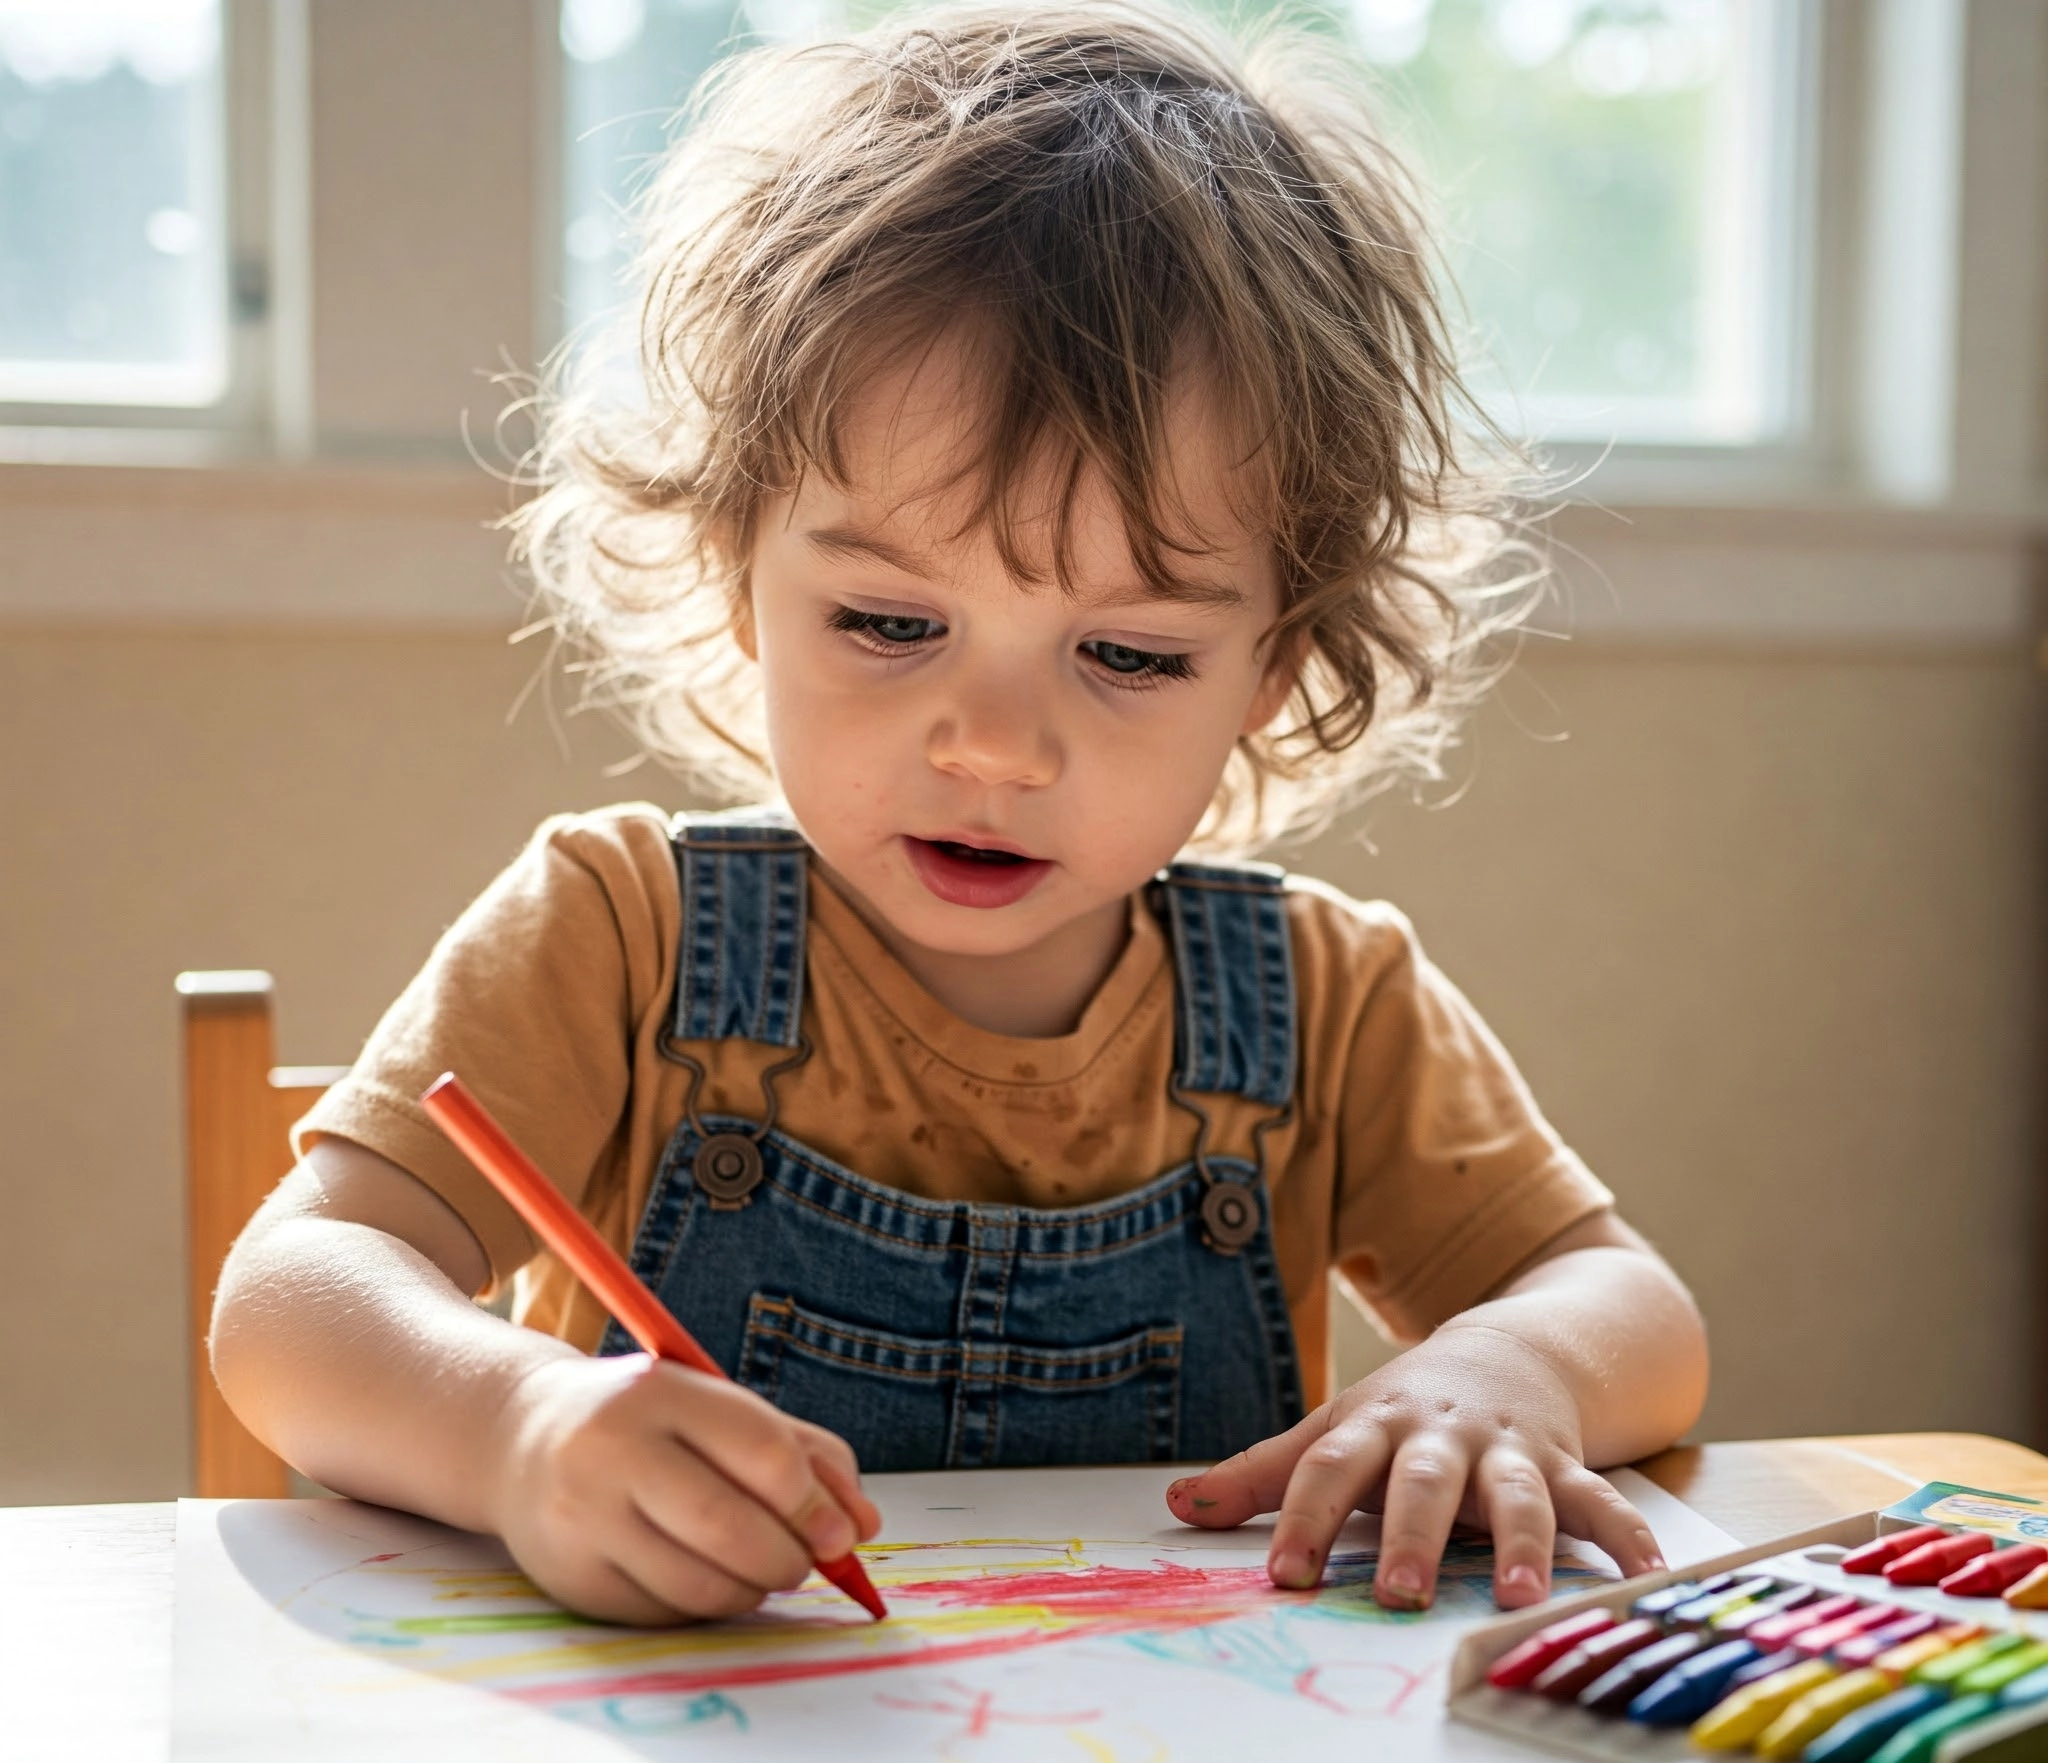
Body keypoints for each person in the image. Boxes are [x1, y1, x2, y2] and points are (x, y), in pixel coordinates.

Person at [212, 2, 1707, 1627]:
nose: (993, 748)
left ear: (1276, 665)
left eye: (1129, 653)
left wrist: (1507, 1367)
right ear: (739, 579)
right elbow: (290, 1303)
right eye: (887, 623)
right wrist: (513, 1426)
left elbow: (1636, 1311)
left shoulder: (1327, 1008)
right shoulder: (618, 935)